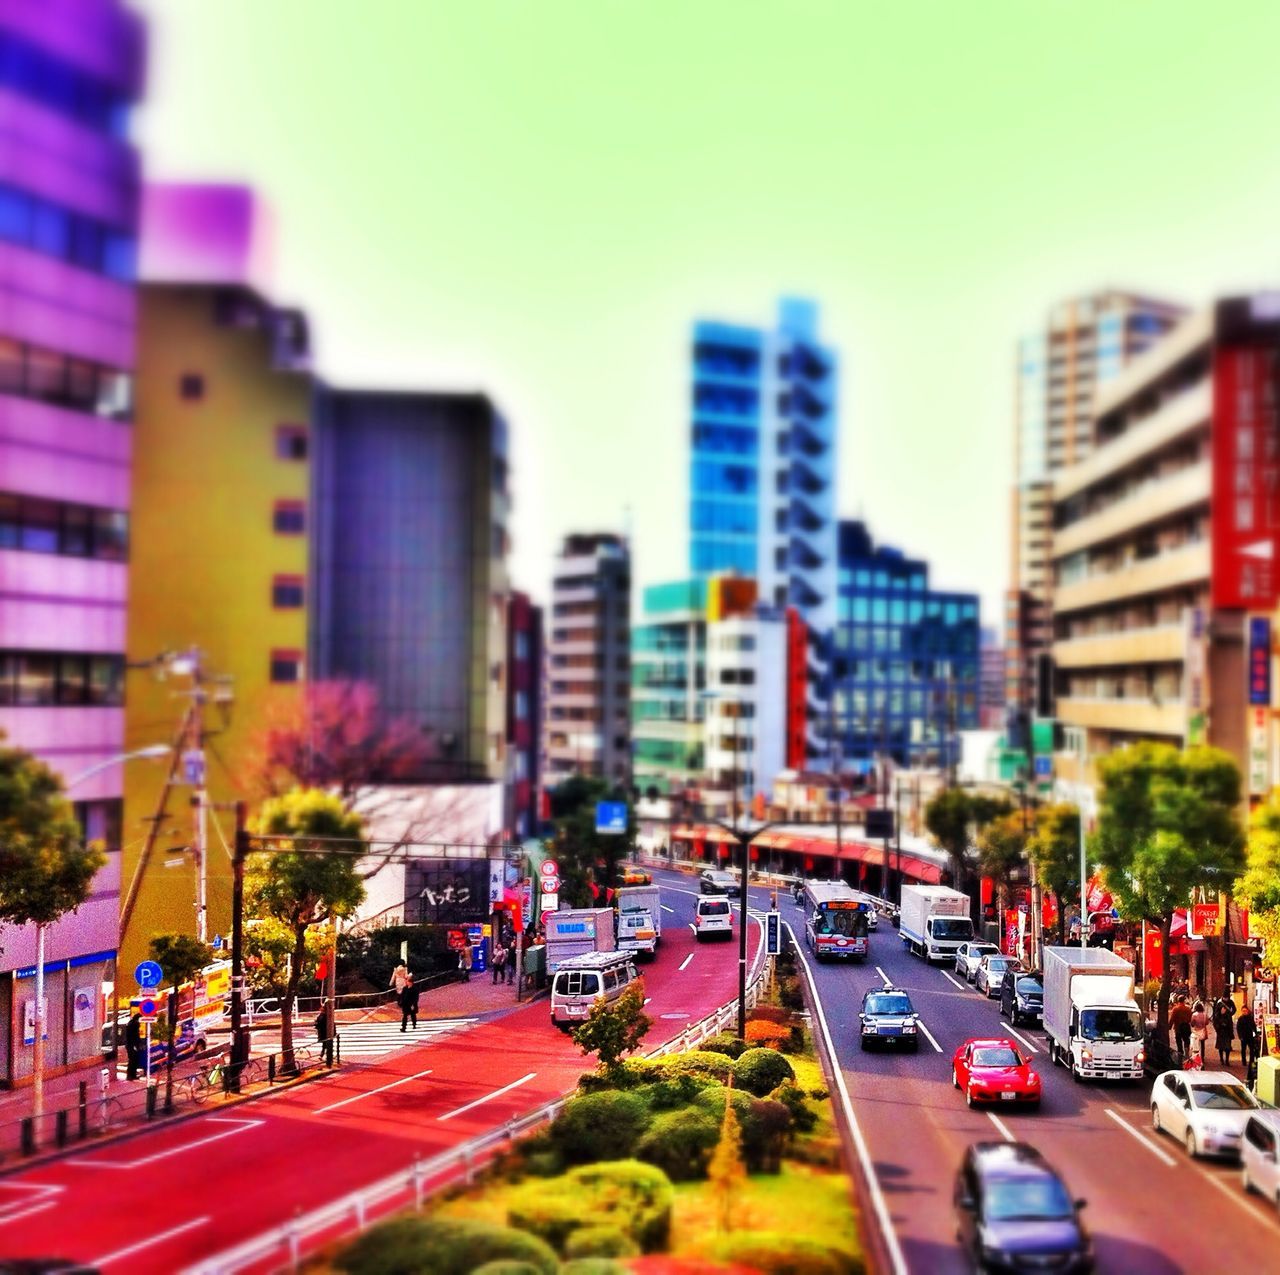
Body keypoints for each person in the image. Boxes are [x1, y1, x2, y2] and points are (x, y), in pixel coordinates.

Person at [1237, 1002, 1259, 1080]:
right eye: (1243, 1011)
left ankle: (1251, 1060)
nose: (1244, 1012)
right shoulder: (1240, 1019)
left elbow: (1254, 1027)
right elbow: (1238, 1028)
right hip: (1243, 1036)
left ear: (1248, 1011)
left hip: (1250, 1036)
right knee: (1243, 1049)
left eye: (1245, 1011)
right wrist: (1240, 1036)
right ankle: (1244, 1061)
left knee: (1252, 1049)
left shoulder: (1250, 1018)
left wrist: (1255, 1034)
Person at [1213, 996, 1236, 1068]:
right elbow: (1216, 1017)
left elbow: (1234, 1009)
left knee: (1228, 1047)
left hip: (1227, 1030)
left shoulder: (1230, 1002)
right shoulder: (1219, 1004)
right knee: (1221, 1047)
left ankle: (1227, 1060)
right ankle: (1221, 1059)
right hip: (1221, 1030)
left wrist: (1230, 1013)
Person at [1169, 995, 1192, 1064]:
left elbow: (1172, 1019)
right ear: (1184, 1000)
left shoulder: (1175, 1009)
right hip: (1186, 1027)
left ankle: (1180, 1057)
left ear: (1178, 1001)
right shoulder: (1188, 1009)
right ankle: (1187, 1054)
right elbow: (1190, 1018)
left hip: (1178, 1028)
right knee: (1186, 1040)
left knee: (1179, 1043)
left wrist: (1169, 1026)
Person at [124, 1009, 144, 1081]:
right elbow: (134, 1036)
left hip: (131, 1045)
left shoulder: (131, 1023)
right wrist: (135, 1045)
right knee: (133, 1060)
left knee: (133, 1060)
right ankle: (130, 1075)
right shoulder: (134, 1025)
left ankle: (132, 1075)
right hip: (132, 1045)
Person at [1190, 1000, 1210, 1065]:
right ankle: (1202, 1057)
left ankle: (1196, 1057)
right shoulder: (1205, 1015)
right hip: (1203, 1031)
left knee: (1196, 1045)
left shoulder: (1194, 1015)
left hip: (1196, 1031)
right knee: (1202, 1044)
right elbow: (1207, 1022)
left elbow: (1192, 1023)